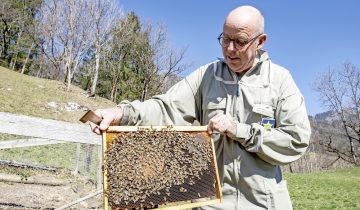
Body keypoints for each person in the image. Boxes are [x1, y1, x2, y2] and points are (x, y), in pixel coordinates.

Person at [90, 5, 311, 210]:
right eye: (225, 39)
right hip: (211, 204)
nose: (230, 49)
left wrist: (240, 131)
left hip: (264, 205)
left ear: (260, 41)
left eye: (240, 41)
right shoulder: (208, 76)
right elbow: (166, 108)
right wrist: (121, 113)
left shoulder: (280, 80)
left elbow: (296, 140)